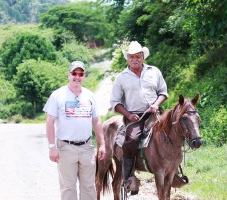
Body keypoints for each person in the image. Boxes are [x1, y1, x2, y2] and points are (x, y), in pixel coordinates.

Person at [43, 61, 106, 200]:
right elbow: (50, 122)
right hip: (66, 148)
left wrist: (102, 144)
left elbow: (96, 121)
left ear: (84, 76)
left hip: (87, 147)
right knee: (68, 187)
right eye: (74, 73)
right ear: (68, 75)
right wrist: (52, 147)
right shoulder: (57, 95)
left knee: (89, 187)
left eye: (80, 74)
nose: (77, 77)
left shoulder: (90, 95)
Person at [110, 41, 168, 189]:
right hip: (135, 117)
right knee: (131, 140)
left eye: (137, 56)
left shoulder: (154, 71)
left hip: (155, 113)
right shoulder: (121, 77)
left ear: (143, 57)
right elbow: (115, 102)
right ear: (127, 58)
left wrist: (156, 104)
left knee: (174, 133)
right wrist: (128, 115)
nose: (134, 59)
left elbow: (163, 92)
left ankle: (173, 170)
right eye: (131, 57)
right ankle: (128, 176)